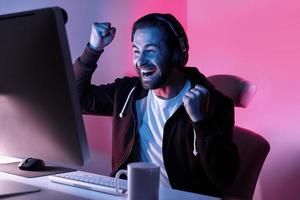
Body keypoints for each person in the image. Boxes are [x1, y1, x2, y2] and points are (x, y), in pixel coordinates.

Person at [73, 13, 239, 197]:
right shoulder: (127, 93)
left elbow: (225, 177)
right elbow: (76, 100)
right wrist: (93, 49)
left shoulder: (214, 104)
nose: (141, 61)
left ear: (177, 55)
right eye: (136, 51)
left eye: (151, 51)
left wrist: (201, 122)